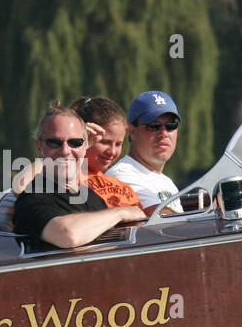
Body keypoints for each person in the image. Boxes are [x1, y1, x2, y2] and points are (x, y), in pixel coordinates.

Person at [12, 103, 145, 250]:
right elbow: (68, 235)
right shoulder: (31, 200)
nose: (65, 151)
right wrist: (121, 212)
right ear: (39, 147)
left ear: (85, 145)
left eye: (75, 142)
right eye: (54, 142)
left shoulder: (91, 197)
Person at [107, 90, 182, 210]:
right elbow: (163, 223)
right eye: (153, 126)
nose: (163, 133)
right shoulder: (121, 176)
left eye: (171, 126)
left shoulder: (168, 183)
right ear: (132, 131)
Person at [68, 94, 143, 209]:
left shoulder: (123, 187)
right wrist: (73, 141)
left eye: (118, 144)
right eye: (105, 142)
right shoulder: (60, 177)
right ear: (85, 136)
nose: (112, 151)